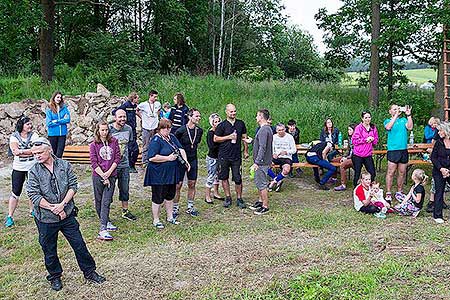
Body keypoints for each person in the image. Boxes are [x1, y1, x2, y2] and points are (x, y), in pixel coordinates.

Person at [27, 137, 106, 291]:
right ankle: (55, 276)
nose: (37, 156)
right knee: (49, 249)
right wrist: (54, 208)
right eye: (34, 153)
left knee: (79, 245)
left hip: (67, 214)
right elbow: (34, 195)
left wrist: (62, 205)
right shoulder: (33, 171)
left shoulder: (64, 165)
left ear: (49, 149)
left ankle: (89, 272)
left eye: (40, 152)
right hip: (46, 219)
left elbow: (73, 185)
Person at [144, 118, 189, 228]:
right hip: (158, 174)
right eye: (165, 128)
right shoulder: (155, 140)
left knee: (170, 195)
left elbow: (180, 149)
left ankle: (170, 217)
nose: (168, 130)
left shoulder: (172, 137)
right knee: (158, 196)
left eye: (169, 128)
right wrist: (167, 158)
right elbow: (152, 157)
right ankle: (156, 219)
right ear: (160, 129)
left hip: (171, 172)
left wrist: (185, 160)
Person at [5, 116, 39, 227]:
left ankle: (32, 211)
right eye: (28, 124)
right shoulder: (14, 136)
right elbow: (15, 151)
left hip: (32, 167)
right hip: (18, 168)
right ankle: (10, 216)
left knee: (32, 189)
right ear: (22, 126)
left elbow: (36, 149)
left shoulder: (34, 135)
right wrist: (29, 151)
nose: (30, 126)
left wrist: (22, 151)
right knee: (15, 192)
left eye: (30, 124)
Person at [89, 121, 121, 240]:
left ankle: (103, 228)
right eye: (102, 130)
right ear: (98, 131)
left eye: (106, 130)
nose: (104, 132)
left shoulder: (114, 142)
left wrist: (108, 174)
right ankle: (105, 220)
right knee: (99, 200)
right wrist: (103, 175)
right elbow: (93, 162)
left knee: (106, 201)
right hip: (98, 175)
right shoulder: (93, 145)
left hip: (111, 174)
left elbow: (117, 157)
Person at [214, 103, 250, 208]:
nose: (233, 113)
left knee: (238, 178)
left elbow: (244, 137)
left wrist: (246, 150)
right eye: (231, 111)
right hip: (224, 155)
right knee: (224, 177)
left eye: (234, 111)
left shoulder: (240, 124)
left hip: (236, 156)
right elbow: (215, 139)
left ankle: (239, 198)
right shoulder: (222, 125)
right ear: (226, 112)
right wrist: (228, 137)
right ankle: (228, 197)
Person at [174, 108, 203, 217]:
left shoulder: (199, 131)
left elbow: (197, 143)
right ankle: (175, 208)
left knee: (192, 183)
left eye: (199, 116)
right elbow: (175, 145)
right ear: (190, 117)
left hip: (193, 159)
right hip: (181, 160)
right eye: (196, 116)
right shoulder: (180, 131)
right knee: (178, 185)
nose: (198, 118)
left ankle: (190, 207)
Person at [109, 109, 138, 221]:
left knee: (125, 188)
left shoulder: (129, 129)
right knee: (109, 190)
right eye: (120, 117)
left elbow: (128, 145)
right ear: (115, 117)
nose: (122, 119)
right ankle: (106, 212)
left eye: (124, 117)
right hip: (111, 166)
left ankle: (125, 211)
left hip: (125, 164)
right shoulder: (109, 130)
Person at [384, 104, 413, 203]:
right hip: (393, 150)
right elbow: (388, 127)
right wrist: (395, 116)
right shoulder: (388, 121)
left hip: (403, 149)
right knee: (391, 172)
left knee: (401, 172)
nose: (397, 110)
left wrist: (408, 115)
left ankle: (399, 191)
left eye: (398, 108)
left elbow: (410, 127)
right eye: (394, 109)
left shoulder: (403, 120)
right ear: (390, 111)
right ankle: (388, 192)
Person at [249, 109, 273, 215]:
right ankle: (260, 201)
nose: (256, 118)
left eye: (257, 116)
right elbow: (261, 143)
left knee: (262, 184)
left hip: (262, 162)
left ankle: (265, 206)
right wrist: (252, 141)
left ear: (261, 117)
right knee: (258, 182)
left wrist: (257, 162)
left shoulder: (264, 130)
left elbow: (263, 147)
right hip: (262, 161)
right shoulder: (266, 129)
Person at [113, 92, 140, 173]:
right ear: (133, 98)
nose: (138, 99)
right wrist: (122, 120)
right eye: (137, 98)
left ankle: (132, 165)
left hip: (133, 130)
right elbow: (114, 112)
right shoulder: (126, 105)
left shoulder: (134, 106)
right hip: (126, 131)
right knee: (126, 149)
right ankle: (129, 166)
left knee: (135, 149)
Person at [351, 111, 378, 187]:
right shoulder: (358, 128)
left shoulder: (373, 127)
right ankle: (356, 188)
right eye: (366, 117)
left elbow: (376, 140)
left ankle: (369, 188)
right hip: (358, 154)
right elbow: (354, 141)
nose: (368, 119)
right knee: (357, 172)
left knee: (372, 173)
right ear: (362, 118)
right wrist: (365, 140)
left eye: (369, 117)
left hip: (368, 154)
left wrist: (373, 140)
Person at [267, 123, 297, 192]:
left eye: (282, 130)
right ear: (276, 131)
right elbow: (270, 148)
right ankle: (278, 180)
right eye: (279, 130)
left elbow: (294, 150)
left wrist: (286, 152)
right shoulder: (273, 137)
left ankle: (273, 182)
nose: (281, 131)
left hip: (286, 157)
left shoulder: (289, 137)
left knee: (286, 170)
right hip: (276, 157)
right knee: (265, 166)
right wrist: (273, 154)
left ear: (285, 129)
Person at [430, 122, 450, 224]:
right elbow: (433, 157)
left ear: (446, 131)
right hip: (439, 170)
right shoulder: (438, 142)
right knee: (439, 191)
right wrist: (441, 168)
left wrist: (448, 170)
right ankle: (437, 215)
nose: (438, 132)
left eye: (440, 130)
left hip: (449, 170)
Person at [205, 113, 224, 204]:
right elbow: (212, 146)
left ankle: (216, 192)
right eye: (215, 122)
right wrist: (221, 144)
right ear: (212, 123)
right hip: (212, 158)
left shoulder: (221, 132)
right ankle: (207, 195)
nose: (217, 123)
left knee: (218, 176)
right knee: (211, 175)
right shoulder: (210, 133)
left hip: (220, 157)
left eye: (218, 121)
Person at [137, 90, 161, 165]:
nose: (156, 98)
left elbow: (159, 110)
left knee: (155, 143)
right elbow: (137, 110)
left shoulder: (158, 104)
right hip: (146, 127)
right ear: (150, 96)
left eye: (156, 97)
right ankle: (145, 161)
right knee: (146, 145)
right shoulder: (143, 104)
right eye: (154, 96)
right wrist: (142, 117)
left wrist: (156, 116)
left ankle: (154, 159)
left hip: (155, 127)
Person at [45, 91, 70, 158]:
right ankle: (53, 167)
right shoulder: (49, 108)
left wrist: (56, 121)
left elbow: (67, 119)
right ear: (54, 97)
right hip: (52, 134)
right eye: (57, 97)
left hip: (62, 134)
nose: (59, 99)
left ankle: (58, 167)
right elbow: (49, 123)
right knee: (53, 153)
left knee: (59, 153)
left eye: (60, 97)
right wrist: (62, 120)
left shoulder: (64, 108)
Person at [334, 124, 356, 191]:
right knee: (334, 160)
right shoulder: (350, 138)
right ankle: (334, 178)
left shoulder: (357, 139)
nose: (348, 131)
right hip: (349, 156)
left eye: (350, 130)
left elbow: (355, 152)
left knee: (342, 165)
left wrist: (347, 158)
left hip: (354, 158)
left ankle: (343, 185)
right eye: (348, 129)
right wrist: (343, 156)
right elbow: (348, 150)